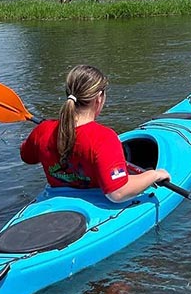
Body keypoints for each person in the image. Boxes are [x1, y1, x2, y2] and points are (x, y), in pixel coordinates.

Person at [20, 64, 170, 203]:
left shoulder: (42, 130)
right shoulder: (104, 138)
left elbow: (27, 157)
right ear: (99, 98)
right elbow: (118, 193)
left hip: (55, 199)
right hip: (98, 203)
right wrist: (154, 175)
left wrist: (41, 137)